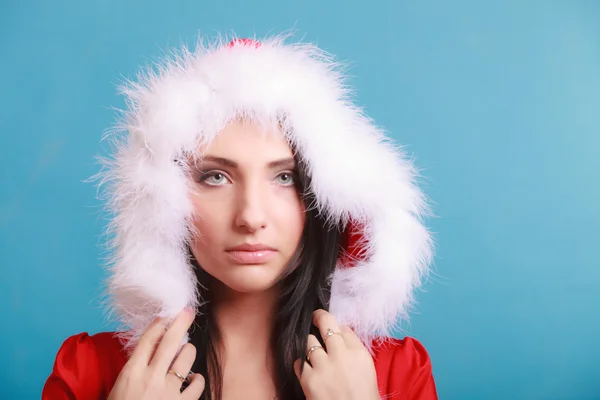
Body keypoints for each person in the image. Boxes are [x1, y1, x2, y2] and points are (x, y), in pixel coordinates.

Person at [42, 35, 438, 400]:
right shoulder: (90, 370)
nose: (250, 216)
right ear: (163, 202)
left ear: (326, 199)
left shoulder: (394, 373)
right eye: (215, 177)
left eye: (285, 178)